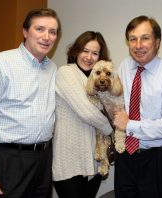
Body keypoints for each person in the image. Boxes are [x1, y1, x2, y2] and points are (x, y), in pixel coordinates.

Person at [0, 8, 61, 198]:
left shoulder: (52, 69)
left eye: (52, 32)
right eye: (39, 29)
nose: (46, 37)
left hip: (43, 160)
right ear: (25, 32)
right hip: (9, 160)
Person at [113, 15, 162, 198]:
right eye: (133, 39)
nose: (138, 45)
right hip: (125, 157)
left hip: (156, 160)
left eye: (145, 38)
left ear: (157, 42)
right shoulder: (123, 67)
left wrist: (130, 125)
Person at [52, 31, 113, 198]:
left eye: (95, 53)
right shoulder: (66, 72)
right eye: (85, 51)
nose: (89, 57)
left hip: (93, 161)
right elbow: (87, 112)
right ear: (76, 51)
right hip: (69, 161)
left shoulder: (96, 79)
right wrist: (112, 130)